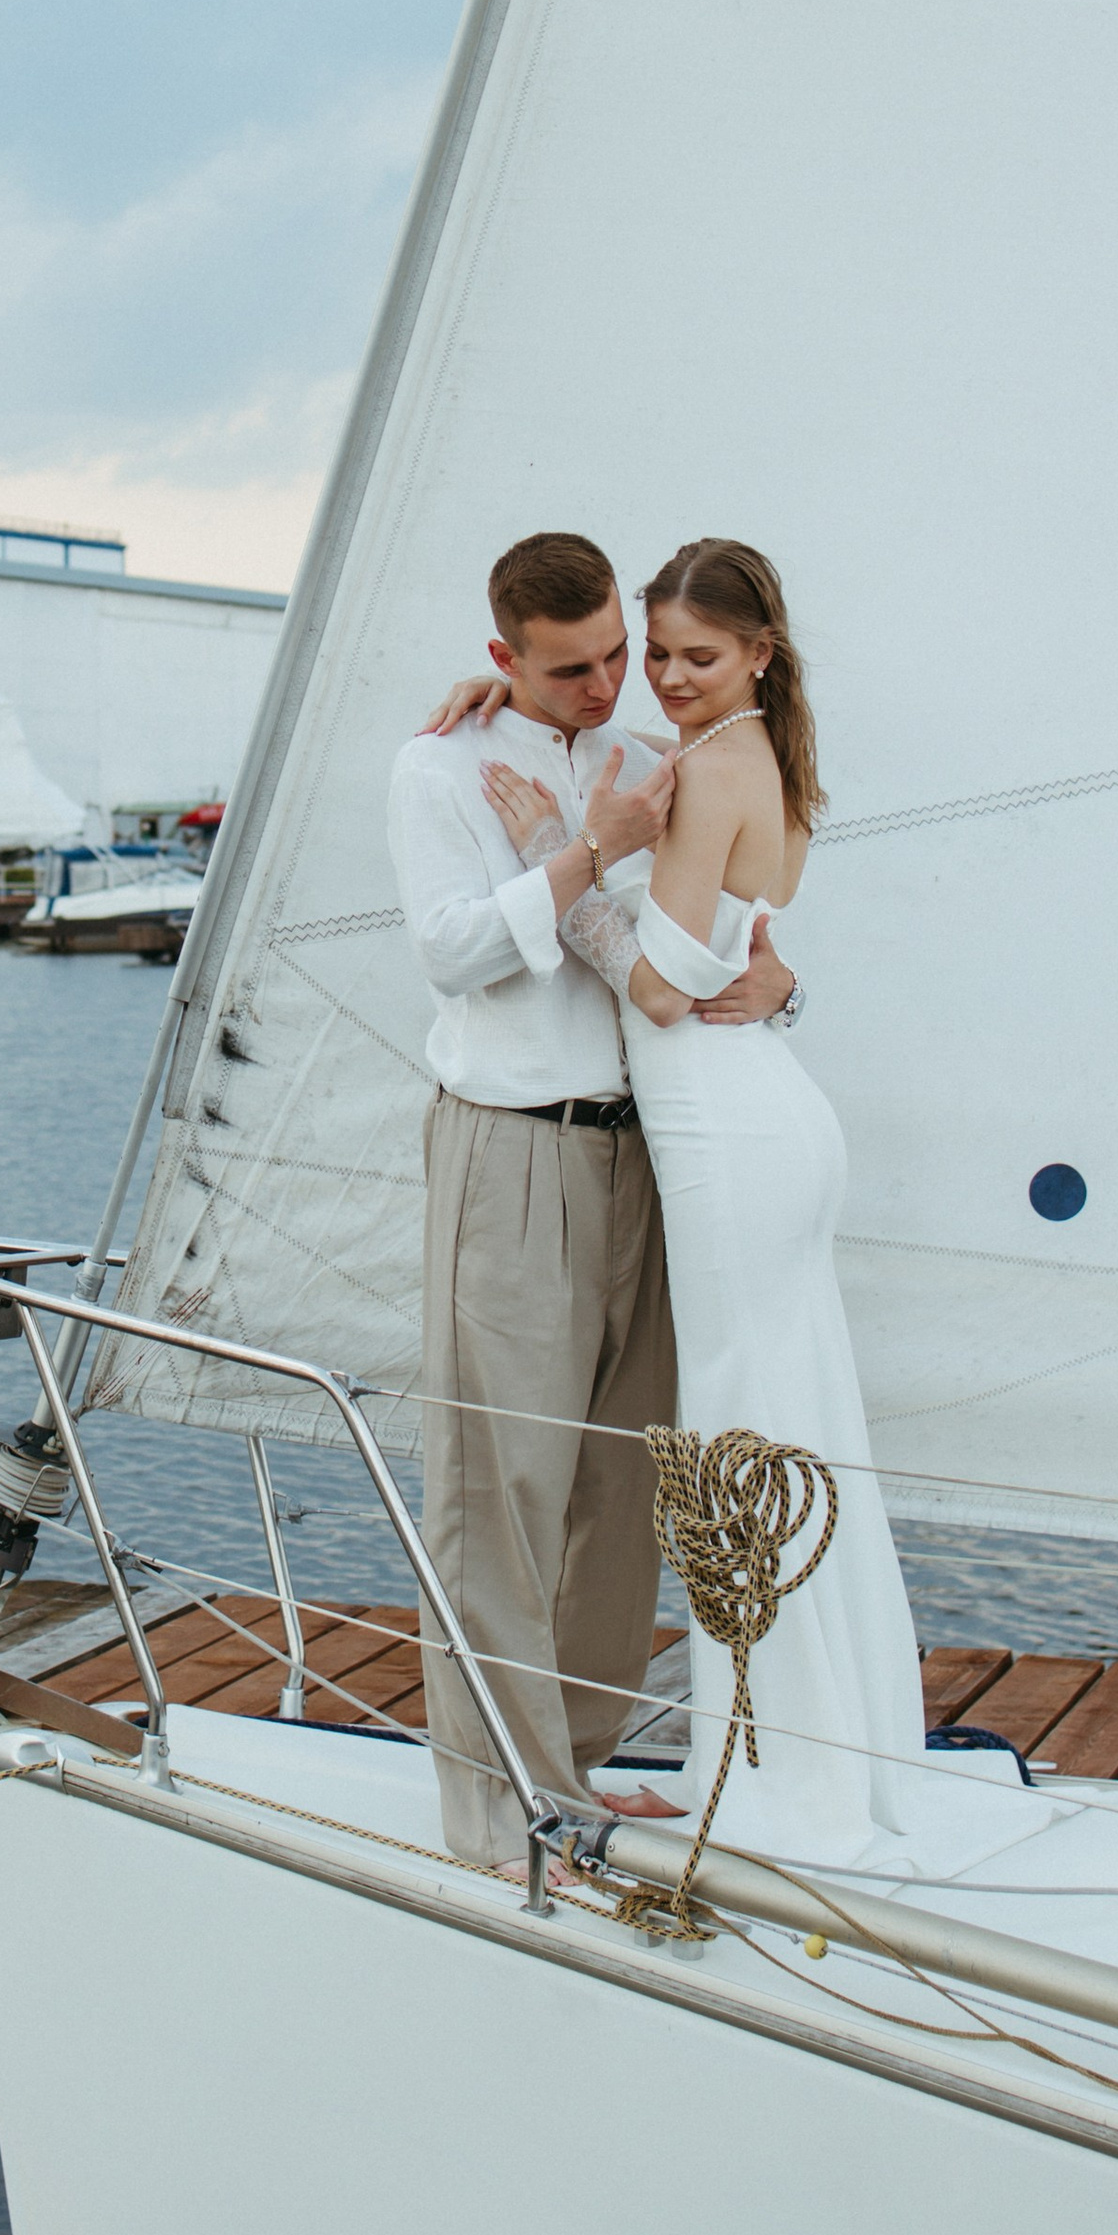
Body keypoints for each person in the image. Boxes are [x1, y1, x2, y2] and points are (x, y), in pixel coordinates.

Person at [473, 537, 1036, 1871]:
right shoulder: (758, 751)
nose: (664, 680)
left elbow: (663, 986)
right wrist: (483, 690)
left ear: (760, 654)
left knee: (741, 1432)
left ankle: (788, 1774)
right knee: (777, 1425)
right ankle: (796, 1749)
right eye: (655, 655)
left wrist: (559, 858)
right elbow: (733, 946)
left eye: (695, 658)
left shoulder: (720, 764)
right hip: (756, 1112)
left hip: (734, 1131)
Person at [387, 531, 797, 1874]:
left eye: (622, 651)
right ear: (503, 658)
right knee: (499, 1490)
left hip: (652, 1153)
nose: (613, 682)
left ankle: (575, 1767)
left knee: (624, 1483)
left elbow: (724, 922)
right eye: (574, 667)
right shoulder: (436, 767)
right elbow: (453, 954)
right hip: (511, 1153)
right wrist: (580, 857)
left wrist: (783, 986)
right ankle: (497, 1812)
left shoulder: (646, 752)